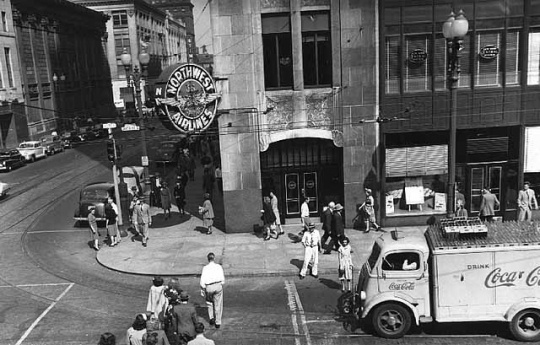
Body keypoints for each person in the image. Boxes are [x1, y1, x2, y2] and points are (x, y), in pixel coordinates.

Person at [200, 252, 225, 329]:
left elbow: (202, 280)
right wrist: (221, 284)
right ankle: (218, 322)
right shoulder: (218, 267)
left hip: (209, 287)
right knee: (218, 304)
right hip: (217, 285)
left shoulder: (205, 268)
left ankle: (211, 317)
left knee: (209, 303)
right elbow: (222, 279)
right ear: (214, 258)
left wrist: (203, 288)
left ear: (208, 259)